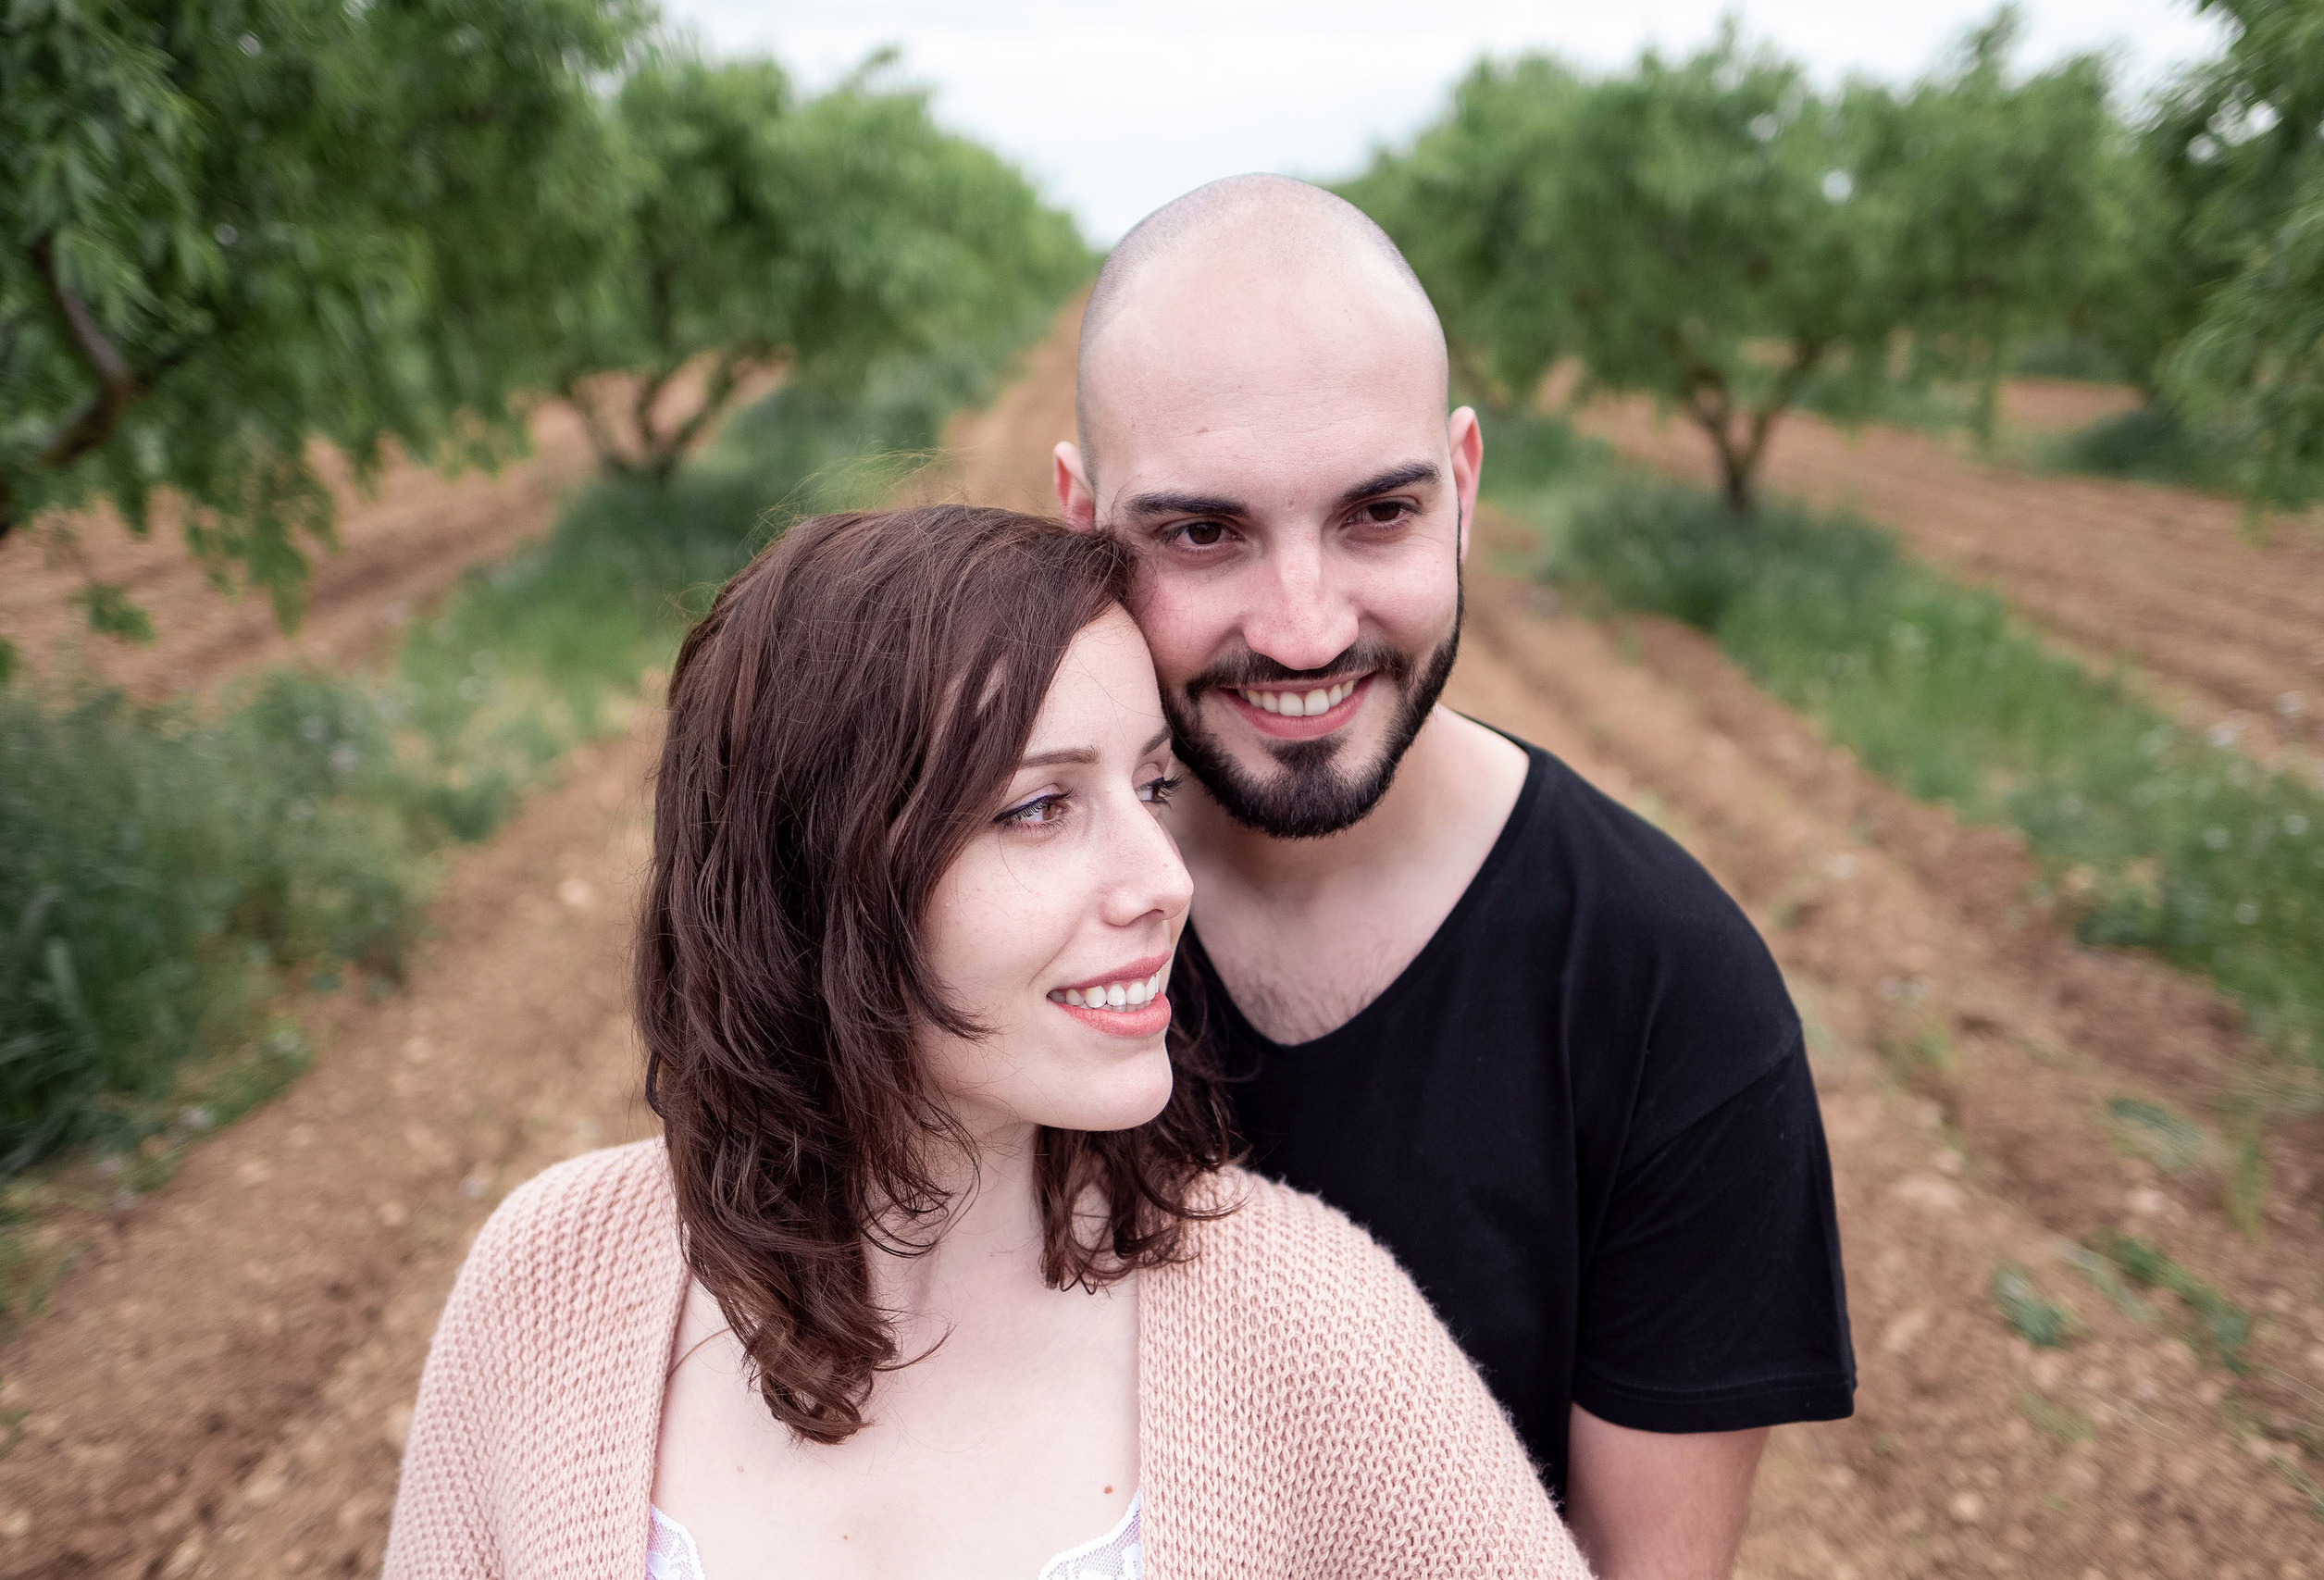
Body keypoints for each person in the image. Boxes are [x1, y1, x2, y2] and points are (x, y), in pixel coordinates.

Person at [381, 504, 1589, 1579]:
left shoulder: (1311, 1328)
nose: (1162, 880)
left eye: (1152, 788)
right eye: (1039, 807)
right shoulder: (548, 1282)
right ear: (818, 875)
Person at [1051, 175, 1856, 1579]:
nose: (1305, 631)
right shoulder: (983, 932)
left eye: (1378, 515)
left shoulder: (1669, 997)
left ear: (1465, 491)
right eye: (1202, 532)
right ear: (1080, 521)